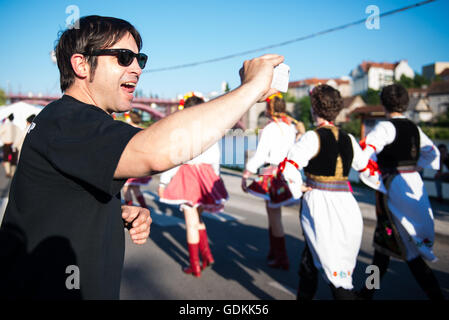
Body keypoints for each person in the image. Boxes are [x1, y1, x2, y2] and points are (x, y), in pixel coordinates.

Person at [0, 15, 284, 299]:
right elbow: (157, 150)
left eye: (140, 59)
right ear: (81, 64)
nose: (137, 68)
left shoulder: (71, 120)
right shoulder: (70, 120)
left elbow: (59, 201)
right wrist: (250, 88)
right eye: (124, 57)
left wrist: (112, 213)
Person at [357, 84, 444, 300]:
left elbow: (365, 152)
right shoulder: (415, 128)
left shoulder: (385, 127)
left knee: (396, 247)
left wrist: (375, 175)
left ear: (384, 104)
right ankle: (367, 292)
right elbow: (432, 153)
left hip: (393, 187)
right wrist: (416, 166)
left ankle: (367, 294)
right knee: (387, 247)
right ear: (405, 104)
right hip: (414, 184)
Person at [283, 85, 367, 300]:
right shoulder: (349, 138)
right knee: (317, 257)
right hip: (346, 203)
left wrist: (297, 186)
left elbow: (289, 167)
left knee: (332, 267)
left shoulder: (312, 137)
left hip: (320, 203)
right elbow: (365, 166)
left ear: (314, 109)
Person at [158, 92, 228, 278]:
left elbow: (175, 160)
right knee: (198, 220)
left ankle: (195, 265)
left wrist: (164, 182)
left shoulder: (181, 134)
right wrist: (216, 181)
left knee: (190, 224)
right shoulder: (211, 132)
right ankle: (207, 255)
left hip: (188, 177)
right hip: (206, 178)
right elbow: (216, 161)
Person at [241, 92, 297, 270]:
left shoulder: (271, 128)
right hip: (287, 171)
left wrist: (247, 173)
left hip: (272, 172)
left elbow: (261, 154)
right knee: (274, 214)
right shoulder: (290, 127)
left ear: (270, 108)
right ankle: (274, 253)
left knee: (274, 216)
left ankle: (281, 257)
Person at [122, 111, 152, 208]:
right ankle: (144, 206)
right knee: (136, 188)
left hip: (129, 161)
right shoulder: (143, 130)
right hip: (139, 162)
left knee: (126, 188)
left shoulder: (126, 128)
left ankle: (129, 207)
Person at [0, 113, 21, 177]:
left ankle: (8, 172)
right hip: (14, 145)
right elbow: (19, 135)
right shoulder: (16, 126)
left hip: (7, 144)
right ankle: (12, 173)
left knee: (6, 158)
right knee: (14, 159)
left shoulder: (5, 125)